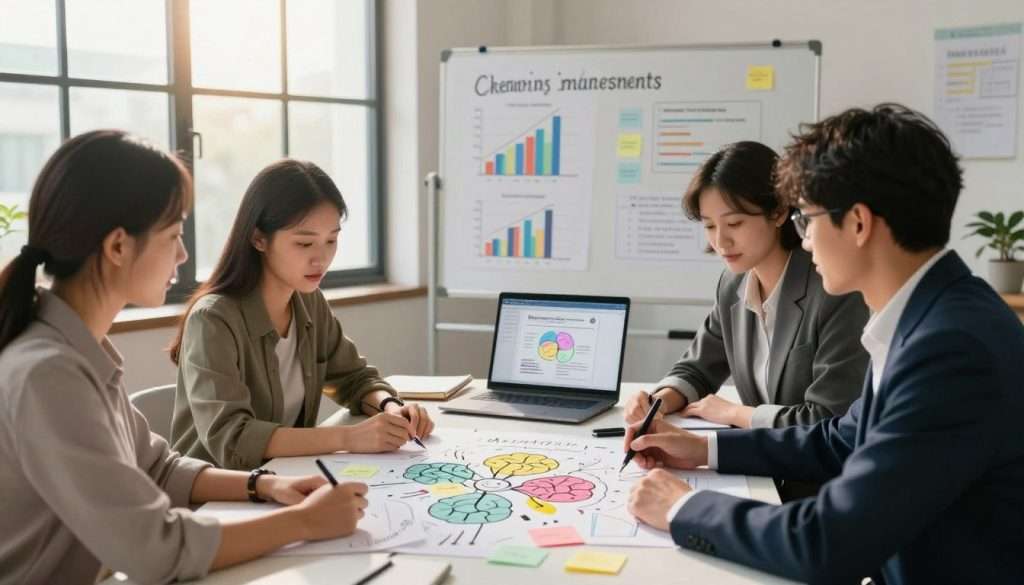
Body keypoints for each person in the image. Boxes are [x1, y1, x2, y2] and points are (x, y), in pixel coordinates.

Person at [626, 104, 1024, 584]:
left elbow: (827, 542)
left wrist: (682, 506)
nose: (806, 239)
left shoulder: (951, 349)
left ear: (858, 223)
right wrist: (702, 449)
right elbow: (838, 439)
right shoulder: (926, 317)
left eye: (807, 217)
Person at [0, 130, 369, 585]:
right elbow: (155, 549)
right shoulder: (48, 374)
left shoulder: (80, 351)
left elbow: (158, 467)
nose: (183, 253)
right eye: (173, 234)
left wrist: (266, 485)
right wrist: (306, 523)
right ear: (118, 246)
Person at [169, 159, 434, 471]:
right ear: (259, 239)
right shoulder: (213, 319)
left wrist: (391, 407)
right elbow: (234, 439)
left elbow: (354, 378)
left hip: (283, 479)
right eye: (305, 242)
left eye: (331, 240)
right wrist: (348, 438)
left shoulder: (308, 301)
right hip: (217, 497)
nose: (320, 258)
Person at [624, 141, 868, 430]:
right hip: (761, 464)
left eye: (735, 223)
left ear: (778, 212)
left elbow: (829, 417)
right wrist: (658, 401)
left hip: (817, 471)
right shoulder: (733, 285)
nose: (720, 242)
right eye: (710, 226)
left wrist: (736, 414)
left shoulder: (833, 288)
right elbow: (698, 369)